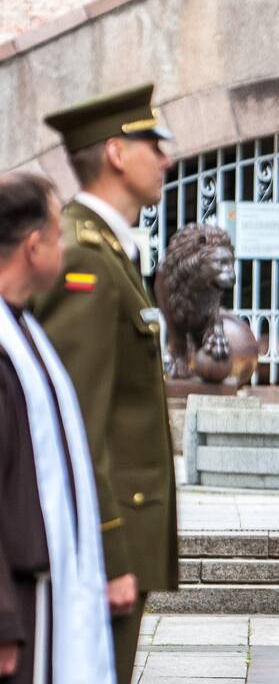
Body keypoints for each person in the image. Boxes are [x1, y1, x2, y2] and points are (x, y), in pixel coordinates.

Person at [33, 83, 179, 684]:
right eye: (155, 144)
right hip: (104, 542)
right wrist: (109, 552)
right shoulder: (85, 257)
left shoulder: (108, 248)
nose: (166, 158)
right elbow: (75, 423)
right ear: (118, 153)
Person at [0, 173, 115, 683]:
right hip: (18, 595)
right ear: (32, 247)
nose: (66, 244)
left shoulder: (24, 328)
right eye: (57, 232)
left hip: (45, 583)